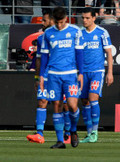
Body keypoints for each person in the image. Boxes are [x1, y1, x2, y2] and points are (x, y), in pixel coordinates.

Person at [39, 6, 84, 149]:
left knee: (72, 105)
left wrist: (81, 73)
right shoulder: (48, 33)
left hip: (70, 74)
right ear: (53, 20)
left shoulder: (75, 31)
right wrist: (41, 76)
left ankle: (73, 130)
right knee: (57, 105)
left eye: (61, 22)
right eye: (56, 22)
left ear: (66, 19)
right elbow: (44, 56)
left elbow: (79, 53)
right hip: (53, 75)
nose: (59, 25)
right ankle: (60, 141)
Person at [26, 11, 71, 144]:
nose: (43, 23)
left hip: (60, 74)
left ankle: (67, 132)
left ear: (53, 21)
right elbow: (39, 60)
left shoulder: (66, 36)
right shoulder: (41, 38)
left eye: (45, 21)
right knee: (42, 102)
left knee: (63, 105)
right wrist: (37, 77)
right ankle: (40, 133)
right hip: (45, 76)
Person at [79, 7, 113, 143]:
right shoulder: (79, 34)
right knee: (84, 101)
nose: (85, 20)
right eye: (83, 18)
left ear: (94, 18)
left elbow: (109, 54)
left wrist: (110, 72)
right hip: (83, 73)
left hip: (97, 71)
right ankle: (88, 133)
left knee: (93, 98)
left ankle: (95, 132)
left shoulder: (102, 33)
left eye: (87, 18)